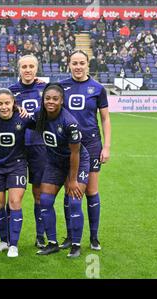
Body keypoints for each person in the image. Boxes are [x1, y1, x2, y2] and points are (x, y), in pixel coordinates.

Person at [59, 50, 111, 251]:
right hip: (67, 146)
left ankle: (94, 237)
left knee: (90, 190)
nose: (78, 66)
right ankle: (71, 236)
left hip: (91, 145)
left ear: (88, 64)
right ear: (69, 64)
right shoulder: (61, 86)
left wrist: (106, 146)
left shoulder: (98, 88)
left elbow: (105, 118)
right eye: (74, 63)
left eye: (82, 63)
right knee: (70, 190)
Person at [34, 83, 90, 258]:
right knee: (45, 200)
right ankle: (52, 243)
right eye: (47, 98)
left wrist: (72, 180)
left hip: (77, 162)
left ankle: (76, 245)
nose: (50, 102)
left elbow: (75, 153)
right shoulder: (40, 115)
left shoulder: (70, 122)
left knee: (74, 202)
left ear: (61, 100)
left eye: (55, 99)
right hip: (54, 163)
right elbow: (26, 120)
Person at [0, 89, 35, 258]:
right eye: (0, 103)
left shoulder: (23, 118)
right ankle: (4, 241)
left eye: (7, 103)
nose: (4, 107)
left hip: (17, 165)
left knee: (14, 202)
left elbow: (41, 124)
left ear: (14, 103)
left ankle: (14, 244)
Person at [8, 55, 47, 249]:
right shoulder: (10, 92)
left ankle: (40, 235)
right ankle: (8, 236)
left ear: (36, 68)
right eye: (24, 66)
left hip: (40, 147)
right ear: (19, 69)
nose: (28, 70)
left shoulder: (44, 88)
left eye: (31, 66)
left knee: (39, 193)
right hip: (18, 148)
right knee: (14, 195)